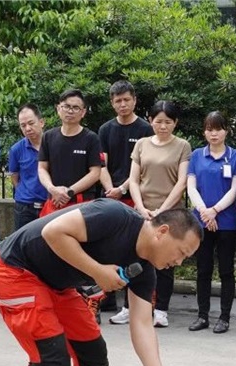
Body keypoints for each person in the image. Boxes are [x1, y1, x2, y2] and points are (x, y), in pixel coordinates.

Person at [0, 200, 201, 366]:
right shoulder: (114, 216)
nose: (178, 262)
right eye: (181, 252)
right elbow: (53, 232)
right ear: (163, 232)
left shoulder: (145, 270)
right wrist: (97, 271)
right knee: (51, 351)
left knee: (91, 344)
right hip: (16, 271)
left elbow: (142, 323)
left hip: (56, 283)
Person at [115, 100, 192, 328]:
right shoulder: (142, 144)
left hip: (170, 212)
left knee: (167, 261)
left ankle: (161, 310)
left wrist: (162, 210)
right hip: (142, 211)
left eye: (168, 122)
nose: (163, 126)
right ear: (150, 121)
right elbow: (134, 180)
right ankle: (129, 307)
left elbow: (181, 182)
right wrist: (140, 208)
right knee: (134, 258)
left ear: (175, 123)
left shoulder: (182, 146)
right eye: (158, 121)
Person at [98, 81, 154, 315]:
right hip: (110, 197)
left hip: (135, 198)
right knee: (105, 249)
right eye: (118, 101)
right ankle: (107, 298)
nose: (122, 104)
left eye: (126, 100)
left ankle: (133, 303)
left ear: (134, 100)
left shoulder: (145, 130)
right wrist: (110, 189)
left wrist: (122, 188)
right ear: (112, 103)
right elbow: (101, 164)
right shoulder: (105, 130)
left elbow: (144, 168)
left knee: (134, 250)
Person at [187, 111, 236, 334]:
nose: (214, 134)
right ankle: (202, 315)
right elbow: (191, 187)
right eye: (209, 129)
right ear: (204, 132)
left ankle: (224, 317)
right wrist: (204, 212)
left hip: (227, 222)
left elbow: (234, 190)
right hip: (201, 222)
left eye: (218, 129)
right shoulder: (197, 155)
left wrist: (215, 211)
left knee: (226, 270)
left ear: (226, 131)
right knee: (203, 269)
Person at [37, 89, 102, 217]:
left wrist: (69, 191)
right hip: (54, 201)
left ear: (83, 112)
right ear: (58, 109)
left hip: (82, 204)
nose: (70, 111)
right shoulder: (48, 137)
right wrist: (52, 189)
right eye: (66, 106)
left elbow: (95, 173)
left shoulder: (91, 138)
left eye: (76, 108)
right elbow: (42, 168)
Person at [8, 104, 50, 231]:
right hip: (24, 207)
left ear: (41, 122)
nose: (28, 128)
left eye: (31, 123)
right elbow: (14, 176)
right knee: (24, 241)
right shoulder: (16, 149)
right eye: (23, 125)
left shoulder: (54, 145)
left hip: (50, 204)